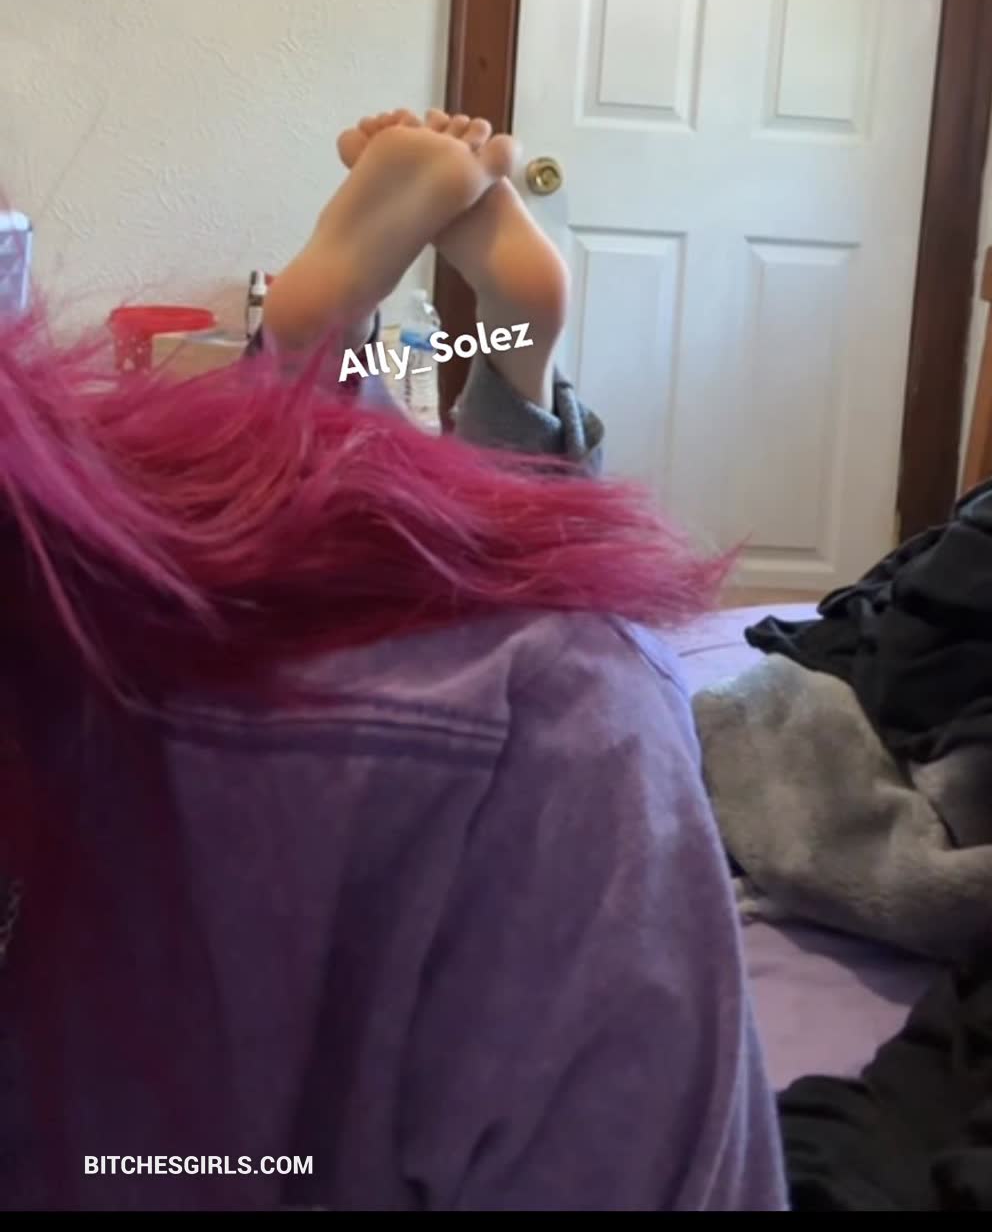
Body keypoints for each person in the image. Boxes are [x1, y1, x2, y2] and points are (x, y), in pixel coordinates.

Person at [0, 109, 785, 1212]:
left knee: (294, 552)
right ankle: (440, 377)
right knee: (364, 564)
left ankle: (328, 363)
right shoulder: (540, 723)